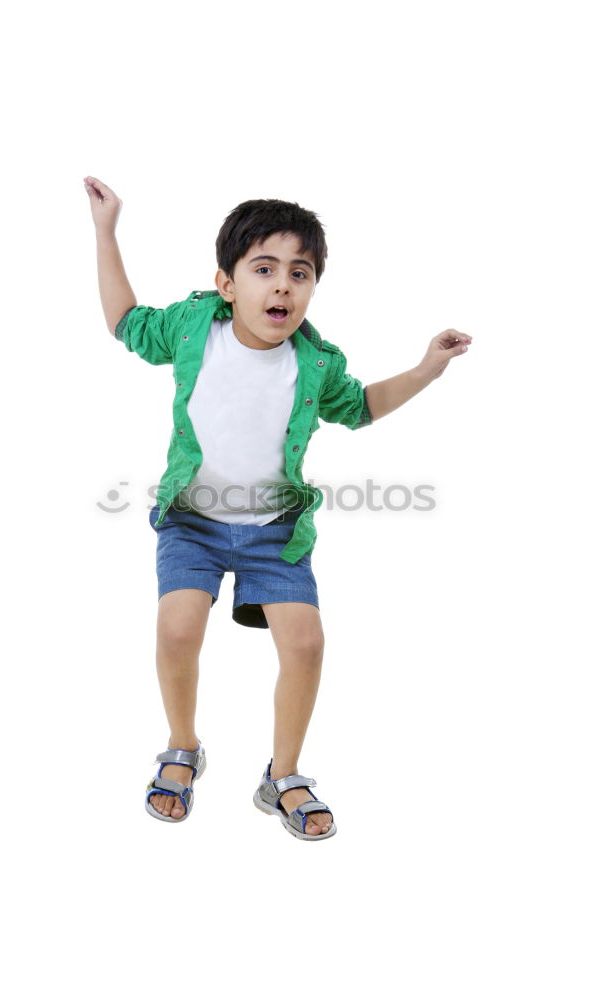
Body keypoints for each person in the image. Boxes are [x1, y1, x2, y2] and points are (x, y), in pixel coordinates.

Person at [83, 175, 472, 841]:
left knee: (307, 644)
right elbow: (125, 322)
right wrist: (105, 231)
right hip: (192, 523)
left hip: (276, 532)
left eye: (301, 272)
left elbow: (361, 407)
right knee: (178, 629)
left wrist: (425, 369)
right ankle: (183, 748)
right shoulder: (191, 328)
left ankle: (283, 775)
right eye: (263, 269)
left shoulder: (314, 362)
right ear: (227, 283)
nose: (283, 286)